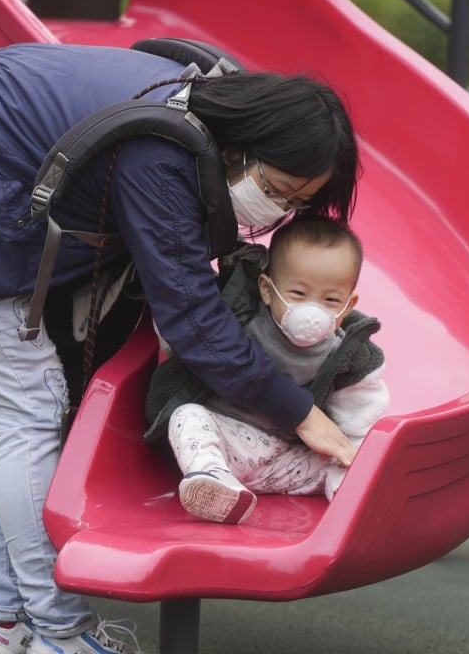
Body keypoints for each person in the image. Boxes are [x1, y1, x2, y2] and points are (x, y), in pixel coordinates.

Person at [0, 41, 358, 654]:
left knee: (4, 412)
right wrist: (302, 414)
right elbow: (195, 322)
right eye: (280, 191)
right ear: (244, 149)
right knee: (30, 406)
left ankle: (2, 624)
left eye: (298, 203)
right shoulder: (162, 154)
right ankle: (58, 633)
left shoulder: (198, 100)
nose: (281, 211)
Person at [146, 215, 389, 523]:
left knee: (342, 458)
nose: (312, 311)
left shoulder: (347, 354)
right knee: (188, 417)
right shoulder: (238, 318)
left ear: (348, 305)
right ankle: (215, 480)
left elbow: (360, 415)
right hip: (226, 439)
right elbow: (186, 339)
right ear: (266, 289)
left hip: (286, 460)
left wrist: (351, 456)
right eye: (298, 294)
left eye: (330, 300)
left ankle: (349, 498)